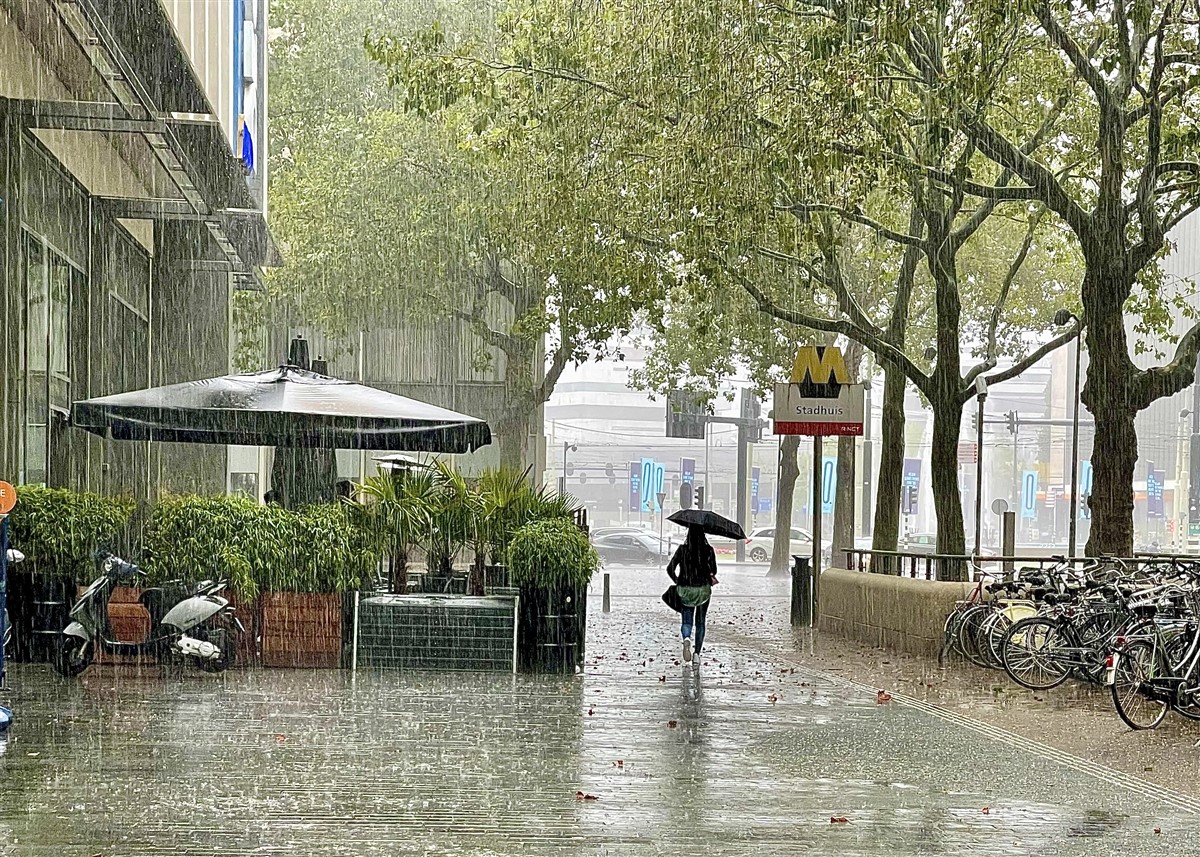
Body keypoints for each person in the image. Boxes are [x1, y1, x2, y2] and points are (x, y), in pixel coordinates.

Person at [666, 527, 719, 664]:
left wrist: (678, 581)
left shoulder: (683, 550)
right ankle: (697, 654)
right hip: (702, 590)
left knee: (687, 620)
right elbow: (714, 570)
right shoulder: (708, 550)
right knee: (700, 622)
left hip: (685, 589)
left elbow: (670, 568)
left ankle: (686, 638)